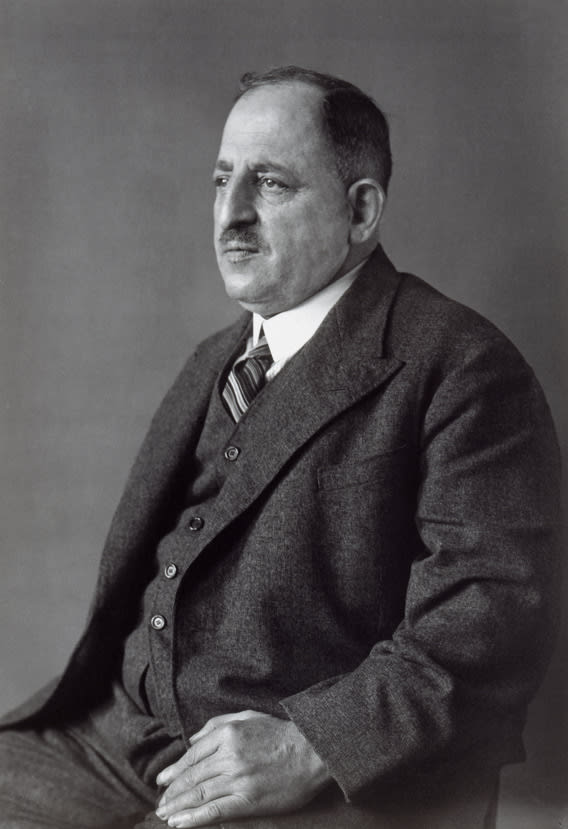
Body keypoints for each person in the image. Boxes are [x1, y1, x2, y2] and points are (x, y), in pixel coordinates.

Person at [0, 66, 561, 829]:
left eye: (269, 184)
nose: (230, 214)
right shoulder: (215, 359)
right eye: (221, 179)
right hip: (121, 745)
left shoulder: (462, 366)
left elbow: (491, 628)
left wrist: (309, 744)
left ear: (361, 210)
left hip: (316, 780)